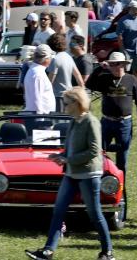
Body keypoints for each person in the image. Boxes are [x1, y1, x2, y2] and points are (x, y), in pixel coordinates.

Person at [26, 87, 115, 260]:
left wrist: (69, 160)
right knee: (58, 211)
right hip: (71, 174)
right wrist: (61, 156)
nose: (64, 106)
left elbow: (94, 151)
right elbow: (70, 148)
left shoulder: (91, 122)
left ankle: (108, 252)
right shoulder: (74, 121)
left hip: (89, 175)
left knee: (95, 214)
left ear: (77, 103)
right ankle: (48, 251)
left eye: (66, 103)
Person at [85, 51, 137, 175]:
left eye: (117, 64)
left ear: (123, 65)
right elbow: (89, 84)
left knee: (122, 157)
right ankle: (101, 180)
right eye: (111, 64)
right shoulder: (105, 78)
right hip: (107, 122)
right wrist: (99, 69)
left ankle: (120, 187)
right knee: (99, 152)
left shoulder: (131, 80)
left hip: (124, 123)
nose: (114, 67)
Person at [46, 34, 84, 111]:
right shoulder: (69, 57)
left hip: (58, 96)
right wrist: (82, 92)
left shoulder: (55, 60)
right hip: (69, 96)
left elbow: (50, 82)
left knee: (58, 121)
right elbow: (78, 76)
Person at [117, 1, 137, 80]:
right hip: (127, 50)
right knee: (126, 70)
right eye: (136, 9)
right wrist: (122, 49)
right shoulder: (123, 20)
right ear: (130, 9)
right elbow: (119, 36)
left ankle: (135, 87)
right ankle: (125, 88)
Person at [23, 44, 56, 114]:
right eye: (50, 58)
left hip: (41, 117)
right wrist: (40, 120)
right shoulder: (38, 74)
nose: (50, 60)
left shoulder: (36, 71)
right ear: (46, 59)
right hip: (40, 119)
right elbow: (36, 100)